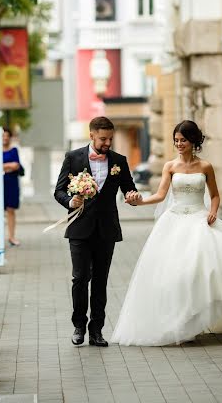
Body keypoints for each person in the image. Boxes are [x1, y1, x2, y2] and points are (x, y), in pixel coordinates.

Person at [111, 120, 222, 346]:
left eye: (183, 140)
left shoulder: (205, 167)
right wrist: (139, 201)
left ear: (193, 142)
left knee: (211, 267)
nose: (179, 144)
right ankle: (181, 321)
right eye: (176, 141)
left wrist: (213, 211)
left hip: (200, 220)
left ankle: (199, 317)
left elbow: (216, 195)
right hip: (174, 221)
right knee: (176, 273)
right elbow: (160, 195)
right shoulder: (170, 166)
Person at [54, 116, 142, 347]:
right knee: (80, 278)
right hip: (79, 228)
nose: (107, 143)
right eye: (103, 139)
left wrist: (133, 197)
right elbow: (59, 190)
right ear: (91, 135)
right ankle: (79, 326)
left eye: (110, 139)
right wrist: (70, 202)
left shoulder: (119, 161)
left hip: (106, 229)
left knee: (101, 281)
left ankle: (97, 331)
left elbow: (129, 189)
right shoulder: (73, 158)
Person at [2, 127, 21, 246]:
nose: (5, 138)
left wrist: (3, 165)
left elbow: (16, 165)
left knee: (10, 210)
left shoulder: (14, 150)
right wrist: (9, 166)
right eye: (3, 136)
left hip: (11, 183)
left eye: (7, 136)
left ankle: (11, 237)